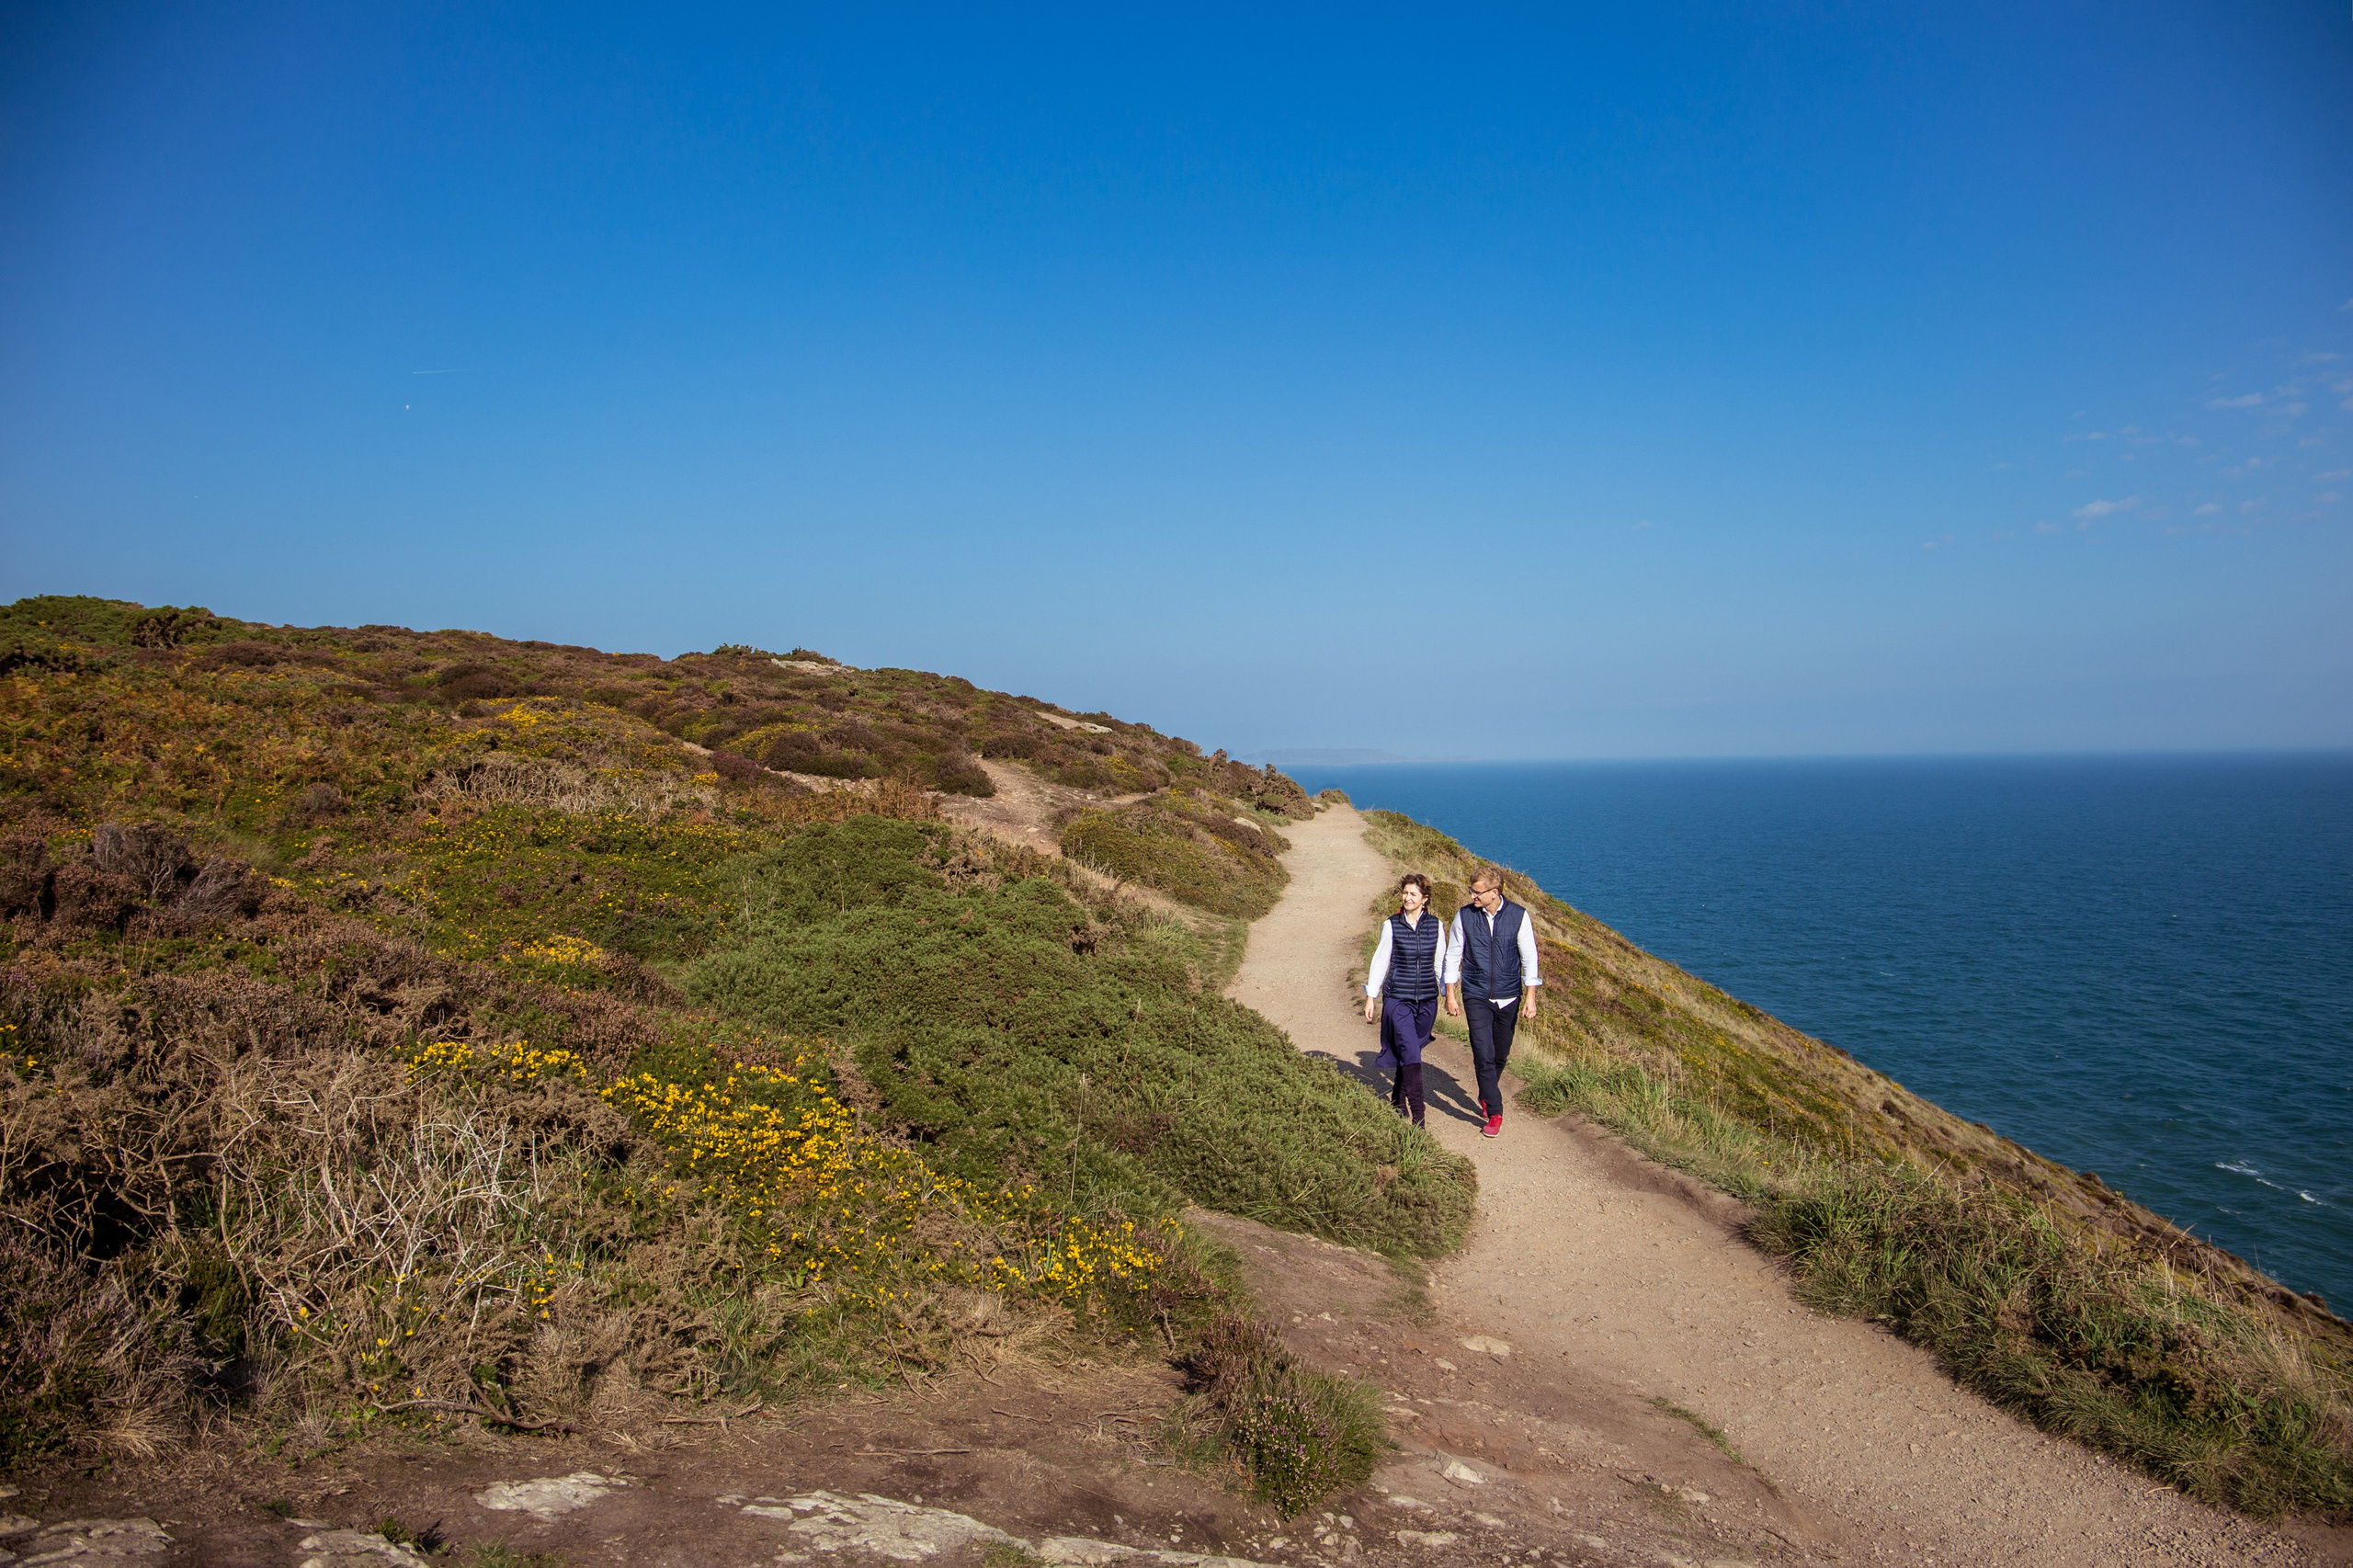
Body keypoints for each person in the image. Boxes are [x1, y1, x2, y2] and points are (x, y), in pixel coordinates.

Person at [1444, 864, 1540, 1138]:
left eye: (1477, 892)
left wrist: (1530, 996)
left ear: (1494, 893)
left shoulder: (1519, 916)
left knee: (1500, 1055)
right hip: (1475, 994)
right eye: (1471, 891)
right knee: (1483, 1054)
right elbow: (1453, 956)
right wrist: (1450, 993)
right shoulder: (1464, 917)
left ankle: (1487, 1091)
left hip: (1510, 995)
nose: (1472, 896)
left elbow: (1530, 958)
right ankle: (1495, 1112)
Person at [1362, 872, 1447, 1127]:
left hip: (1427, 1001)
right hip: (1398, 999)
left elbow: (1440, 963)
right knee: (1411, 1053)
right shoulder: (1392, 925)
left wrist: (1448, 994)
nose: (1407, 898)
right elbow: (1380, 961)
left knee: (1410, 1050)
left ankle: (1397, 1100)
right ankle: (1419, 1120)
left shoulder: (1437, 925)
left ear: (1425, 899)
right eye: (1405, 893)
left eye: (1413, 894)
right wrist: (1371, 997)